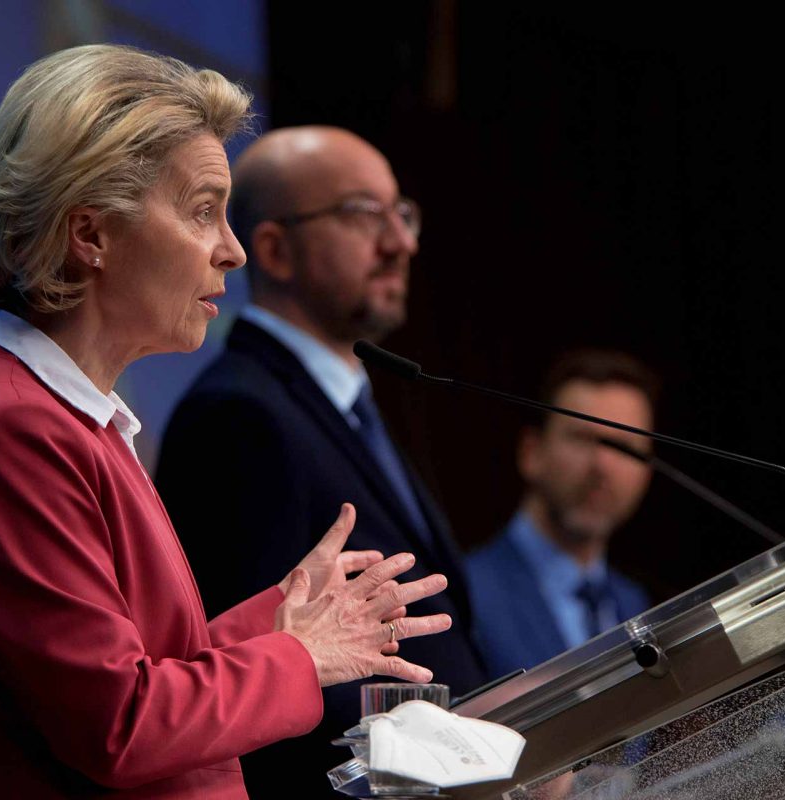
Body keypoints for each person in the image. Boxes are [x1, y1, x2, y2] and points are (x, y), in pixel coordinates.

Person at [0, 45, 454, 800]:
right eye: (203, 210)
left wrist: (284, 617)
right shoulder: (16, 435)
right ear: (89, 234)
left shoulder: (73, 419)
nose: (230, 250)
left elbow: (147, 677)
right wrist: (302, 656)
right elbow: (121, 726)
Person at [155, 126, 488, 798]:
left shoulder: (344, 402)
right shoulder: (238, 416)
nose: (402, 243)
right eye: (363, 214)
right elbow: (252, 677)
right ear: (274, 250)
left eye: (403, 213)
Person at [466, 350, 659, 679]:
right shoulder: (465, 595)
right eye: (582, 438)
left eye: (625, 446)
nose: (602, 465)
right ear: (531, 452)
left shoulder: (637, 604)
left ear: (647, 470)